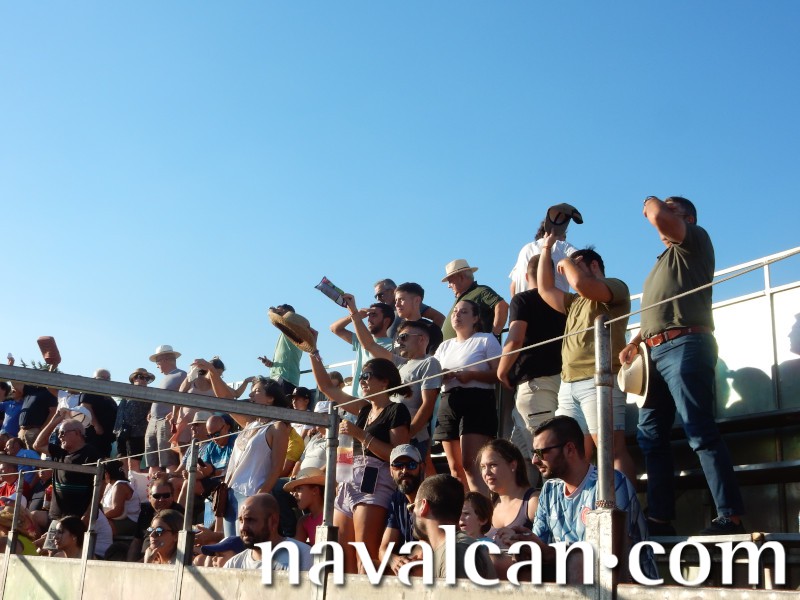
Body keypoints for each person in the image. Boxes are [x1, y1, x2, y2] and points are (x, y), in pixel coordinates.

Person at [620, 195, 745, 535]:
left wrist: (649, 201)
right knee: (650, 438)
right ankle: (660, 520)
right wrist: (635, 341)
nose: (662, 210)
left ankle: (730, 517)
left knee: (699, 431)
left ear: (687, 219)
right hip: (654, 352)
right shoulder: (664, 260)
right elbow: (658, 312)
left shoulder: (695, 240)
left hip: (686, 344)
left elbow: (657, 215)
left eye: (672, 208)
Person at [495, 416, 657, 581]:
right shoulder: (549, 490)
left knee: (580, 561)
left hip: (626, 584)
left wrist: (548, 552)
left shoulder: (610, 484)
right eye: (533, 453)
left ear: (570, 449)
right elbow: (540, 550)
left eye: (541, 452)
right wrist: (521, 541)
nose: (535, 460)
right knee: (498, 561)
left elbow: (606, 555)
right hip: (570, 581)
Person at [538, 239, 636, 484]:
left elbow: (582, 284)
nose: (568, 270)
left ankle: (624, 505)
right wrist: (546, 250)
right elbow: (545, 289)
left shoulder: (615, 286)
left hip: (600, 380)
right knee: (570, 453)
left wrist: (565, 260)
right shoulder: (574, 302)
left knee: (611, 449)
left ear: (593, 265)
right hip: (568, 384)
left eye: (576, 264)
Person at [310, 351, 411, 574]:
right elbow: (328, 388)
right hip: (349, 481)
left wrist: (360, 434)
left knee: (365, 559)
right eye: (361, 376)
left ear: (384, 381)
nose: (362, 380)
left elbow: (399, 456)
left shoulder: (396, 410)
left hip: (376, 480)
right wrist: (313, 352)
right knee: (343, 559)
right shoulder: (365, 409)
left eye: (367, 375)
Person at [340, 294, 442, 460]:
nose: (399, 342)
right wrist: (353, 312)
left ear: (422, 339)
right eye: (398, 338)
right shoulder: (399, 363)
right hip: (391, 431)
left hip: (412, 436)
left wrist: (408, 433)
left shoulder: (429, 362)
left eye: (404, 337)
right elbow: (369, 344)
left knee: (417, 474)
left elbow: (428, 404)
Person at [198, 365, 291, 538]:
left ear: (270, 398)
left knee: (246, 545)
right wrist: (211, 370)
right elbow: (225, 400)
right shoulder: (250, 423)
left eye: (257, 391)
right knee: (231, 544)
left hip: (252, 493)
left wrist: (258, 499)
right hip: (231, 492)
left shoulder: (277, 427)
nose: (251, 395)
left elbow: (276, 469)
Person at [497, 254, 567, 486]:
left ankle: (552, 504)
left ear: (526, 276)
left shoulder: (523, 299)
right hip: (559, 380)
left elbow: (515, 338)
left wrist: (501, 370)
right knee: (520, 458)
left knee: (543, 456)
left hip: (534, 384)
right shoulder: (563, 301)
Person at [433, 300, 502, 494]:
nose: (457, 315)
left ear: (475, 318)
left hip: (477, 401)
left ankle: (481, 509)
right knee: (455, 468)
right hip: (448, 401)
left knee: (471, 464)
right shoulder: (444, 346)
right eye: (455, 311)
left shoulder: (486, 339)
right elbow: (433, 376)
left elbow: (499, 373)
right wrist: (443, 374)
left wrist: (472, 375)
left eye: (463, 312)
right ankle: (463, 509)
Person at [412, 474, 496, 580]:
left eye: (412, 506)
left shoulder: (456, 552)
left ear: (423, 506)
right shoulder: (453, 549)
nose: (412, 512)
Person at [33, 414, 100, 525]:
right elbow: (37, 445)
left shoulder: (91, 454)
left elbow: (100, 486)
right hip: (56, 517)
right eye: (58, 433)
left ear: (77, 433)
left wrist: (89, 512)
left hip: (78, 518)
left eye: (62, 433)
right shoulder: (60, 452)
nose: (59, 436)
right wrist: (54, 421)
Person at [224, 493, 313, 571]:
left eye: (250, 520)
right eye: (241, 520)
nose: (243, 527)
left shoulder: (302, 557)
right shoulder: (233, 565)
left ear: (273, 521)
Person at [330, 299, 395, 399]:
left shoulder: (393, 345)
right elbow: (335, 328)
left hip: (376, 401)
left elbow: (369, 344)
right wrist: (354, 316)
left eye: (374, 315)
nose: (369, 319)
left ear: (386, 321)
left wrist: (355, 315)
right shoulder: (360, 340)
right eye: (369, 315)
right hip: (357, 400)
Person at [378, 444, 424, 574]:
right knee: (367, 568)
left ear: (422, 467)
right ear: (391, 471)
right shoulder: (397, 499)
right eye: (398, 466)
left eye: (411, 465)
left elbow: (428, 545)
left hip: (432, 563)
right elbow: (383, 549)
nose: (404, 471)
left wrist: (405, 563)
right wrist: (393, 560)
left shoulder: (431, 494)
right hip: (410, 562)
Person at [440, 259, 508, 341]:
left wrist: (493, 335)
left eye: (450, 281)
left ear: (461, 277)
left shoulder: (480, 291)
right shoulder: (463, 296)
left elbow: (502, 305)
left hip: (473, 346)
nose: (449, 286)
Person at [508, 217, 577, 297]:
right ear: (556, 233)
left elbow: (513, 287)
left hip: (523, 302)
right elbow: (583, 259)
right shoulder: (562, 246)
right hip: (554, 302)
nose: (564, 240)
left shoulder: (525, 249)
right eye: (564, 236)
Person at [145, 345, 186, 474]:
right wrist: (151, 411)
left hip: (166, 421)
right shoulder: (165, 378)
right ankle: (153, 485)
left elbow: (187, 398)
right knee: (152, 460)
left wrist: (174, 414)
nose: (157, 366)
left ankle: (170, 484)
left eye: (157, 361)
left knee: (168, 460)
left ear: (165, 359)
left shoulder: (182, 375)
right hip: (154, 421)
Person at [127, 476, 185, 561]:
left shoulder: (178, 514)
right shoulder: (146, 512)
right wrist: (130, 564)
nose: (161, 499)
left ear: (172, 496)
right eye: (157, 496)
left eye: (166, 495)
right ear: (149, 497)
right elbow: (137, 540)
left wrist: (143, 564)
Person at [114, 368, 156, 473]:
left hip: (138, 433)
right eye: (141, 377)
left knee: (134, 462)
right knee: (121, 460)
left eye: (146, 378)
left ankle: (133, 482)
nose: (144, 380)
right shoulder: (126, 393)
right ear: (134, 378)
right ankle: (124, 479)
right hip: (121, 431)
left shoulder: (150, 394)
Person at [375, 279, 446, 337]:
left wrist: (430, 337)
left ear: (392, 291)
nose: (378, 299)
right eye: (376, 296)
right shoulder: (385, 312)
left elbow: (439, 317)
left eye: (380, 295)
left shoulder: (411, 304)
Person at [259, 304, 303, 396]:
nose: (278, 313)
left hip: (285, 377)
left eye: (280, 311)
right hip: (280, 376)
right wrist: (272, 364)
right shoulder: (286, 332)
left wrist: (271, 310)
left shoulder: (293, 328)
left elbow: (275, 318)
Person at [78, 369, 118, 458]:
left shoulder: (108, 397)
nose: (106, 380)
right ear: (94, 379)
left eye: (108, 378)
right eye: (102, 378)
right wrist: (96, 425)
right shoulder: (90, 390)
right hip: (94, 434)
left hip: (106, 437)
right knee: (92, 458)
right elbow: (85, 407)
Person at [284, 467, 325, 545]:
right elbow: (297, 548)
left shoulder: (333, 516)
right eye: (295, 490)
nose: (295, 494)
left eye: (299, 489)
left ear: (315, 490)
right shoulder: (303, 522)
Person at [101, 460, 140, 537]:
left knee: (95, 524)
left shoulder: (120, 485)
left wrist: (98, 517)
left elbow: (117, 511)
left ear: (107, 474)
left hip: (128, 521)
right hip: (115, 519)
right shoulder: (111, 485)